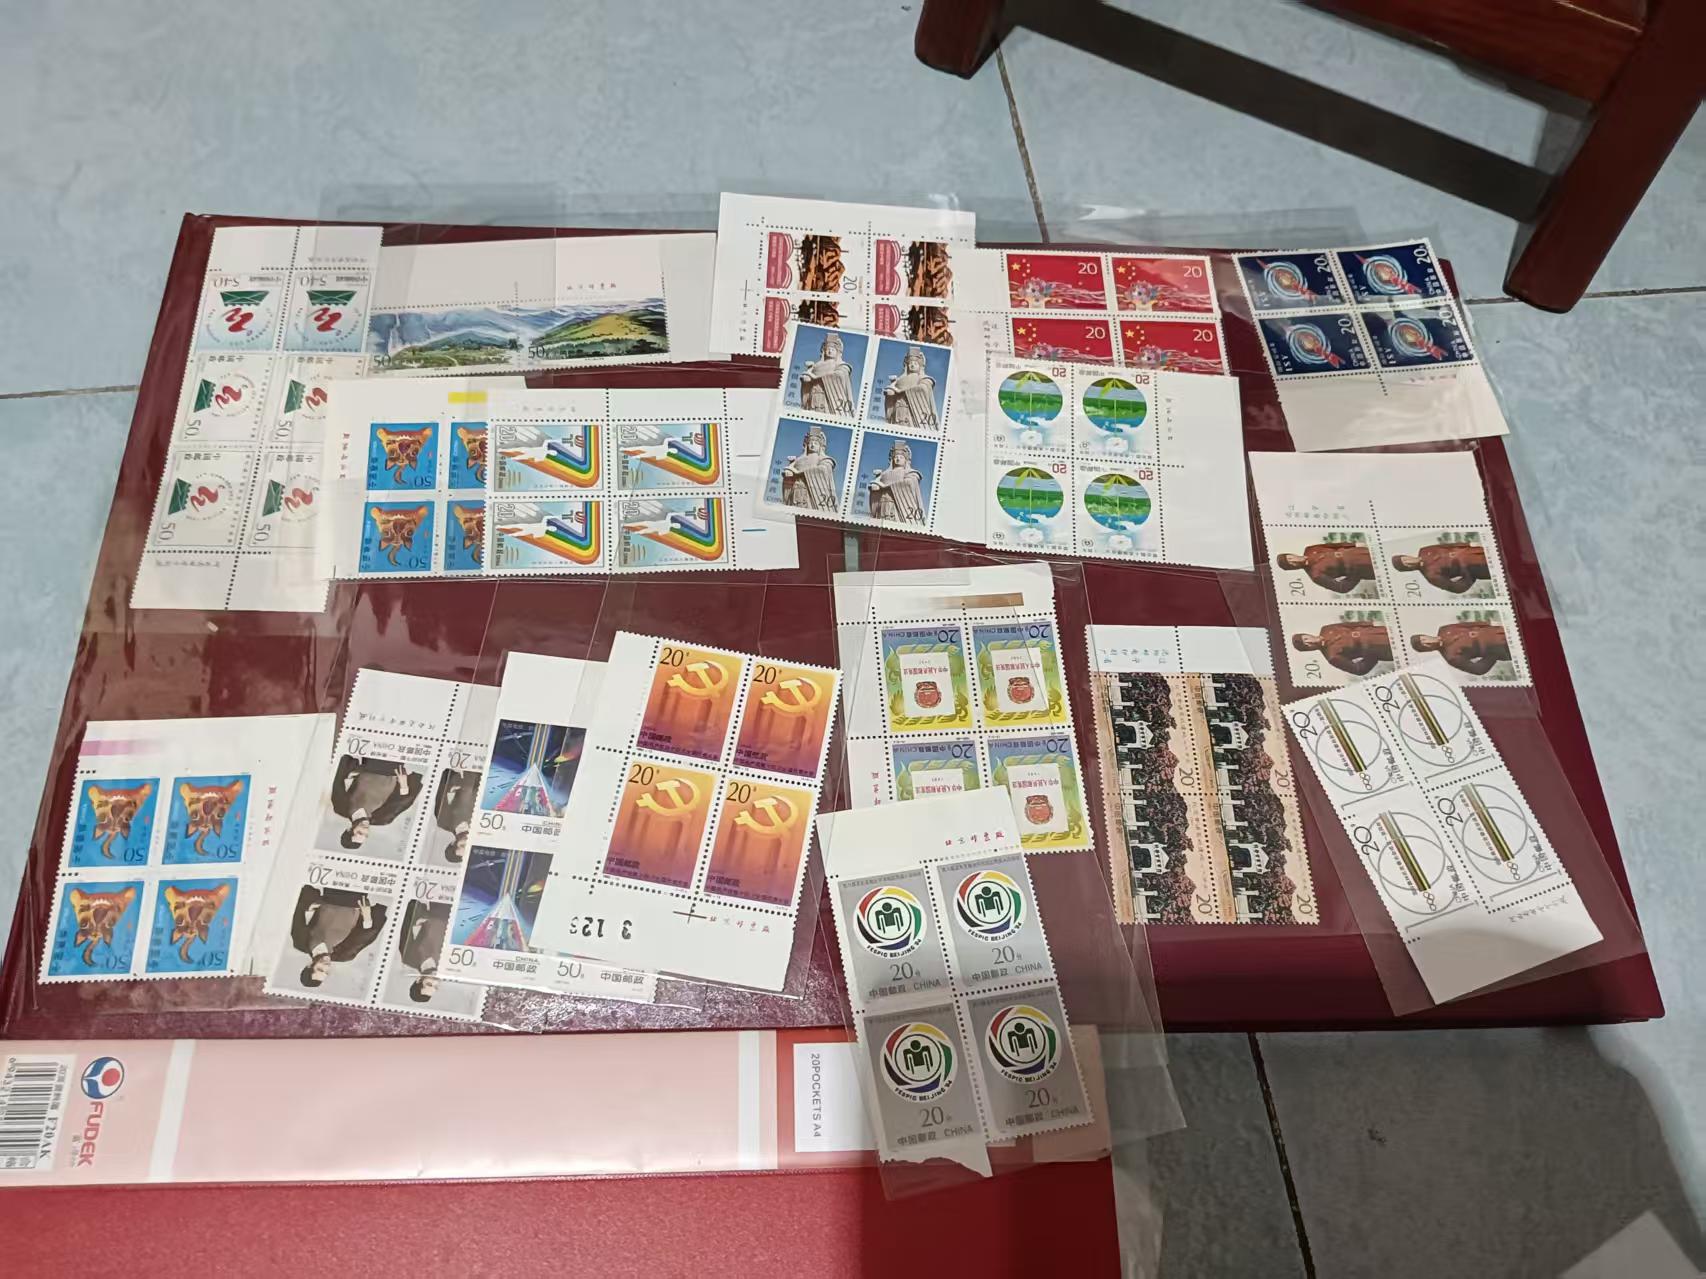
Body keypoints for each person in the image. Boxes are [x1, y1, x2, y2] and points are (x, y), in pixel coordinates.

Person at [290, 885, 387, 988]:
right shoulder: (344, 955)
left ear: (309, 965)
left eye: (320, 969)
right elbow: (367, 934)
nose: (326, 967)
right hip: (355, 898)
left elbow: (299, 911)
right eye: (326, 972)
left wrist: (309, 907)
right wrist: (367, 917)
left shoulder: (300, 942)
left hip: (332, 892)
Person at [328, 755, 423, 850]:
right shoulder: (382, 819)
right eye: (366, 835)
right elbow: (404, 801)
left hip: (371, 764)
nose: (365, 830)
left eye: (360, 832)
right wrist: (403, 784)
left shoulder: (341, 808)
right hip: (392, 769)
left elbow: (338, 781)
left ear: (349, 829)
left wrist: (353, 767)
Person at [396, 896, 451, 1003]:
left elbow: (409, 918)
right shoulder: (450, 966)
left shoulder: (408, 957)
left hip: (440, 905)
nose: (436, 981)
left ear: (418, 980)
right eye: (436, 987)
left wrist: (420, 920)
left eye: (429, 984)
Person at [779, 423, 839, 511]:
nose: (812, 445)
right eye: (810, 443)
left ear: (820, 446)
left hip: (813, 495)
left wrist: (799, 473)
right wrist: (788, 472)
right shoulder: (799, 459)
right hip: (797, 492)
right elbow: (789, 469)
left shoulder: (824, 459)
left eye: (816, 443)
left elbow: (824, 469)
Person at [867, 440, 926, 524]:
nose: (898, 459)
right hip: (882, 505)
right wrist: (875, 484)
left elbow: (909, 483)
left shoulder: (909, 473)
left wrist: (885, 487)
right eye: (896, 457)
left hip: (898, 506)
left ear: (906, 460)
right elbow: (874, 486)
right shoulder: (884, 474)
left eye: (901, 457)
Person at [882, 346, 938, 428]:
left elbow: (923, 389)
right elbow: (891, 392)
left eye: (915, 363)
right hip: (898, 411)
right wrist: (890, 391)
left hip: (913, 412)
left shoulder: (924, 379)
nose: (912, 365)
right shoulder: (900, 379)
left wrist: (901, 391)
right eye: (910, 363)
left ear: (920, 366)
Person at [799, 332, 854, 415]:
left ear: (837, 352)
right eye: (828, 349)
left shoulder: (840, 365)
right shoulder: (816, 365)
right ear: (824, 351)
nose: (830, 351)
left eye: (833, 350)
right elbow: (808, 379)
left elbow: (840, 375)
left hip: (829, 398)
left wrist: (816, 378)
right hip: (813, 397)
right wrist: (806, 379)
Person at [434, 768, 479, 863]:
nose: (467, 842)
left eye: (462, 845)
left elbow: (443, 788)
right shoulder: (481, 827)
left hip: (463, 770)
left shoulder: (443, 821)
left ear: (453, 843)